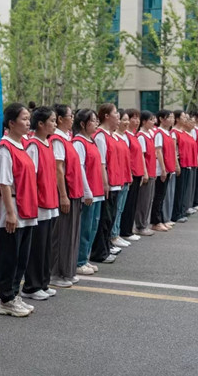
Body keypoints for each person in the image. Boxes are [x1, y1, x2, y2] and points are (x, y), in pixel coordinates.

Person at [0, 103, 37, 317]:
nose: (28, 123)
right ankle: (6, 299)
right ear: (11, 123)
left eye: (29, 119)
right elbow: (3, 182)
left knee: (21, 257)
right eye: (24, 119)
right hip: (12, 208)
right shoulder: (5, 148)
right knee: (9, 256)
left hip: (25, 208)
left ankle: (14, 294)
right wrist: (10, 213)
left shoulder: (22, 145)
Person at [22, 106, 59, 299]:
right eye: (52, 121)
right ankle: (31, 286)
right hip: (39, 204)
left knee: (46, 247)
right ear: (41, 124)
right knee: (37, 247)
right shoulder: (33, 146)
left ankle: (43, 282)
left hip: (50, 201)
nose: (55, 124)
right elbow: (30, 178)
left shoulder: (47, 143)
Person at [49, 104, 84, 287]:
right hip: (66, 192)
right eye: (70, 116)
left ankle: (67, 271)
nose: (73, 119)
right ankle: (57, 273)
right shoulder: (57, 140)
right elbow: (58, 169)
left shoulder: (67, 138)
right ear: (61, 119)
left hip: (74, 191)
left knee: (71, 234)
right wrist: (63, 195)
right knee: (62, 234)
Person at [91, 103, 123, 264]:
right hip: (108, 183)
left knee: (110, 218)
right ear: (106, 116)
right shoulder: (100, 136)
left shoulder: (110, 135)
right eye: (115, 113)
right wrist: (105, 183)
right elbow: (101, 163)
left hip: (115, 182)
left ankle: (106, 246)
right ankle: (99, 252)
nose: (118, 116)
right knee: (104, 219)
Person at [73, 109, 103, 275]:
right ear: (83, 124)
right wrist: (86, 191)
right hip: (89, 193)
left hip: (97, 191)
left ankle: (85, 257)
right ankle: (79, 261)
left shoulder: (91, 141)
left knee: (92, 227)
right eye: (93, 120)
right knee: (84, 228)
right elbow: (80, 168)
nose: (96, 123)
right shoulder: (79, 142)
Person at [119, 108, 146, 242]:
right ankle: (125, 230)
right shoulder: (126, 136)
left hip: (138, 173)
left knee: (133, 202)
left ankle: (128, 229)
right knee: (128, 204)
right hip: (131, 173)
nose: (136, 121)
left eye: (138, 118)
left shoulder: (133, 135)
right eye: (133, 118)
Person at [149, 110, 176, 232]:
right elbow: (158, 151)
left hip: (168, 167)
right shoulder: (159, 133)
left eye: (172, 117)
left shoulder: (168, 133)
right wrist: (163, 169)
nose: (172, 120)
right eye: (169, 117)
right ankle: (156, 221)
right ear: (161, 119)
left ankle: (161, 219)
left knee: (162, 195)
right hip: (161, 168)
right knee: (158, 196)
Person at [110, 109, 133, 248]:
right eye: (122, 119)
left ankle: (116, 233)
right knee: (116, 208)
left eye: (126, 119)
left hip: (125, 176)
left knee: (120, 208)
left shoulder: (125, 137)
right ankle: (113, 235)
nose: (125, 122)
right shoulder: (114, 137)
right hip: (117, 178)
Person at [134, 111, 157, 236]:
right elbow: (142, 156)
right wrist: (145, 172)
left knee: (149, 200)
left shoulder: (149, 135)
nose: (153, 122)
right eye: (151, 120)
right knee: (143, 200)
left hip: (152, 170)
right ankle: (140, 225)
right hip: (147, 171)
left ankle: (144, 223)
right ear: (144, 121)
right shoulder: (141, 136)